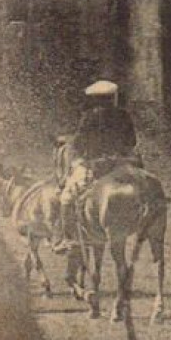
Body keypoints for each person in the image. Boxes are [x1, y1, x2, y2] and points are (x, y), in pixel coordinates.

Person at [55, 80, 139, 252]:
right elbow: (132, 141)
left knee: (67, 197)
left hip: (94, 166)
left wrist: (81, 156)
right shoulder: (124, 116)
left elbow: (78, 144)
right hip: (120, 164)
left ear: (95, 99)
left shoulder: (89, 117)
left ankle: (68, 238)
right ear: (112, 98)